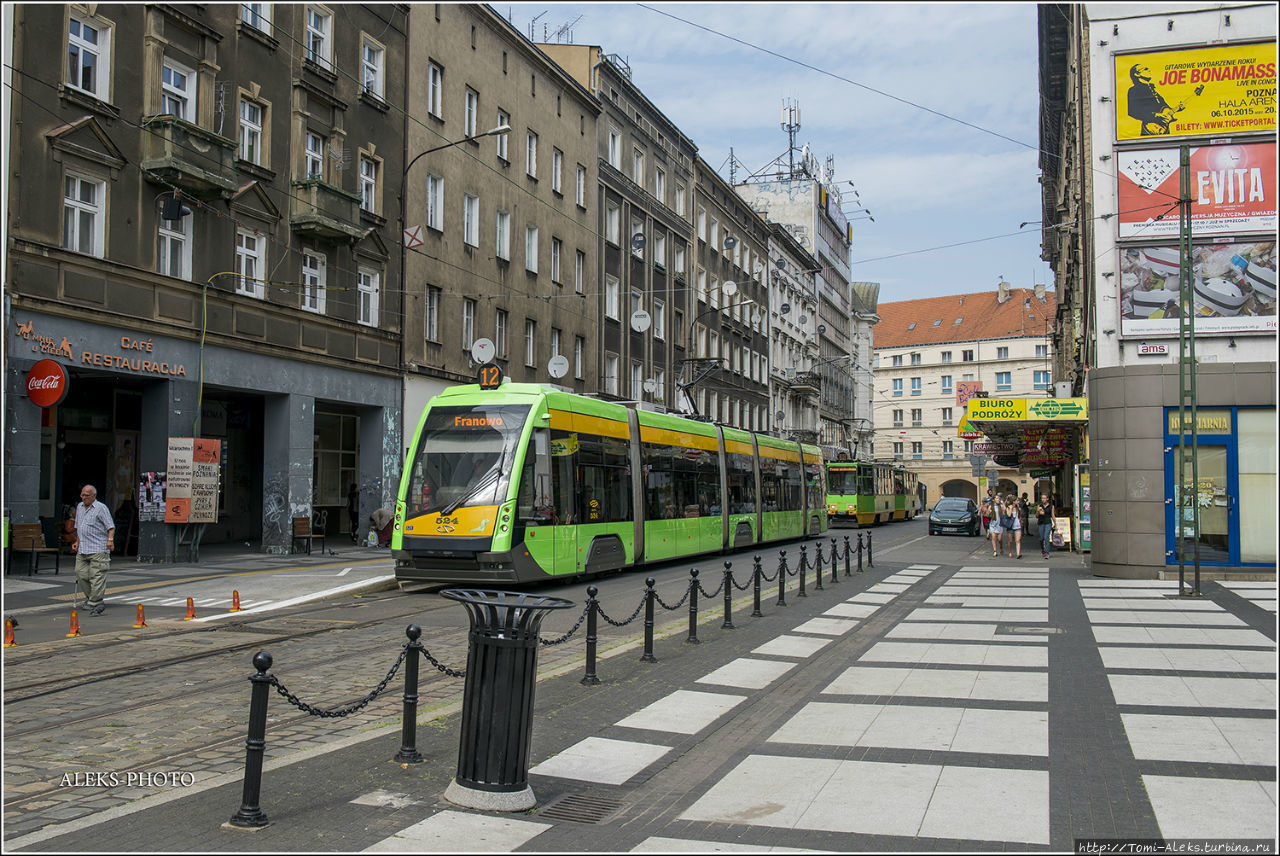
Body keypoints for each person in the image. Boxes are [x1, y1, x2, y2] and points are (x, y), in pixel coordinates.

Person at [72, 485, 115, 616]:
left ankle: (95, 601)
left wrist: (110, 540)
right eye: (82, 495)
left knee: (96, 576)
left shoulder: (101, 508)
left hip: (98, 547)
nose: (83, 497)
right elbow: (79, 527)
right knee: (80, 573)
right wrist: (76, 542)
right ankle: (93, 597)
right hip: (83, 548)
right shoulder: (79, 507)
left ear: (93, 496)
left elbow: (111, 527)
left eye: (86, 495)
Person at [1126, 63, 1201, 136]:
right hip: (1151, 128)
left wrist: (1178, 108)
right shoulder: (1134, 90)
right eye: (1145, 69)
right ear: (1137, 74)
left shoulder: (1153, 90)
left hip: (1164, 128)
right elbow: (1132, 111)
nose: (1149, 70)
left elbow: (1164, 108)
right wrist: (1156, 115)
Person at [1036, 492, 1057, 560]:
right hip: (1041, 522)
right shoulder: (1040, 506)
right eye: (1042, 498)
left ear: (1047, 499)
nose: (1043, 499)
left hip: (1048, 522)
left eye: (1044, 498)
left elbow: (1053, 516)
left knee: (1046, 537)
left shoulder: (1051, 506)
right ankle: (1043, 549)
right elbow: (1036, 516)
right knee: (1041, 538)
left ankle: (1047, 552)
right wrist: (1038, 511)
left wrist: (1055, 525)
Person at [1003, 494, 1023, 559]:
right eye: (1017, 500)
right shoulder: (1009, 507)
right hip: (1010, 526)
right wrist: (1011, 508)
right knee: (1010, 541)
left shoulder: (1018, 508)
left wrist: (1021, 522)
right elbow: (1008, 515)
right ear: (1013, 501)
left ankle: (1018, 553)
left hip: (1017, 525)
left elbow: (1019, 516)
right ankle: (1010, 552)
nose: (1018, 501)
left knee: (1018, 540)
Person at [986, 494, 1003, 558]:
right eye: (997, 498)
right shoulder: (991, 506)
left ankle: (1001, 547)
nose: (998, 499)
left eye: (999, 498)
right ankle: (995, 551)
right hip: (993, 524)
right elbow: (987, 515)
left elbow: (1005, 512)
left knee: (1000, 539)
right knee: (993, 538)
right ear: (993, 500)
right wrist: (989, 512)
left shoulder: (1001, 506)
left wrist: (1003, 503)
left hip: (1000, 524)